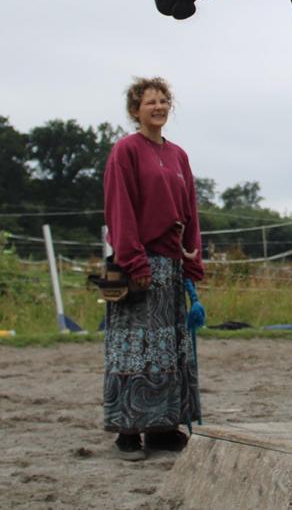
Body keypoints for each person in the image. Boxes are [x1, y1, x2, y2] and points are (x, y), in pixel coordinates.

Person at [102, 76, 205, 461]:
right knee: (134, 350)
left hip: (172, 265)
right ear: (135, 110)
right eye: (150, 102)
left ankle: (163, 428)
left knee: (169, 351)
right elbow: (121, 208)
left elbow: (190, 211)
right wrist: (133, 260)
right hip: (139, 264)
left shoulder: (179, 156)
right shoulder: (125, 151)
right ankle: (127, 433)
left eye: (164, 101)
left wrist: (194, 261)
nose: (159, 107)